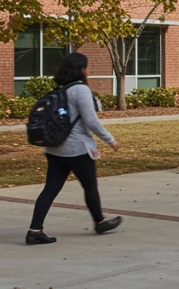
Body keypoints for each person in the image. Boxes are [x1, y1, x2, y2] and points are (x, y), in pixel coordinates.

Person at [27, 53, 123, 245]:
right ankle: (100, 222)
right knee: (90, 187)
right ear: (80, 70)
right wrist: (110, 140)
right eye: (86, 67)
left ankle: (34, 230)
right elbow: (91, 121)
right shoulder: (80, 90)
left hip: (55, 149)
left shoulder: (61, 89)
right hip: (77, 149)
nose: (88, 71)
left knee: (50, 189)